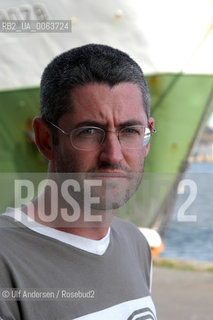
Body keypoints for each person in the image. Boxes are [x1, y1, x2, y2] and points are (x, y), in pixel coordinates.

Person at [0, 44, 157, 319]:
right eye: (89, 132)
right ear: (46, 140)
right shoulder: (7, 262)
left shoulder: (135, 245)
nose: (113, 155)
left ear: (147, 135)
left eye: (130, 131)